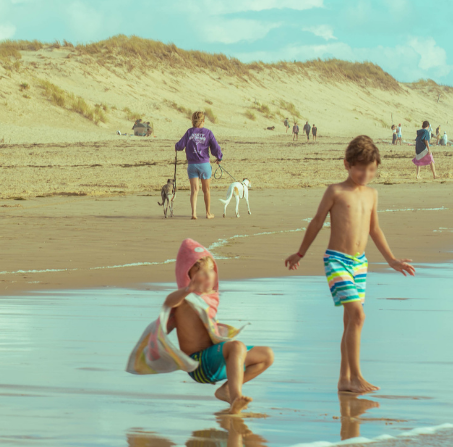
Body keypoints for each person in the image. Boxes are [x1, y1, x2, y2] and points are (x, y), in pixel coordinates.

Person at [284, 135, 415, 393]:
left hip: (359, 264)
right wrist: (300, 253)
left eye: (371, 169)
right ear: (347, 164)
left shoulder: (372, 194)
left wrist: (391, 260)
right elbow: (317, 222)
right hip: (337, 261)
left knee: (350, 322)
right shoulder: (335, 191)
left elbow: (375, 229)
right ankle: (356, 377)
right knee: (358, 316)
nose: (366, 174)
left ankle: (344, 379)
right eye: (360, 168)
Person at [127, 239, 274, 414]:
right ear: (188, 277)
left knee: (266, 355)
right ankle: (236, 399)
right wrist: (187, 290)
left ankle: (227, 390)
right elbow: (169, 302)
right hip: (198, 364)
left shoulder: (211, 298)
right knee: (237, 346)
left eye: (211, 270)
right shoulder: (185, 300)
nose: (208, 275)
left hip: (214, 359)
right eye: (201, 272)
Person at [175, 111, 223, 220]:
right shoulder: (208, 132)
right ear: (203, 121)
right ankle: (208, 213)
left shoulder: (189, 132)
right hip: (204, 164)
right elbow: (216, 148)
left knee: (194, 191)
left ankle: (194, 213)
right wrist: (219, 157)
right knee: (206, 190)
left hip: (192, 165)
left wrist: (176, 146)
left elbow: (180, 145)